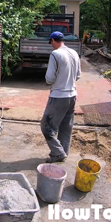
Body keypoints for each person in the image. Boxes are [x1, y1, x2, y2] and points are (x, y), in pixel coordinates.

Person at [41, 31, 81, 163]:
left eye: (51, 42)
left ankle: (58, 153)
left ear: (53, 40)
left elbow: (49, 78)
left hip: (59, 96)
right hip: (72, 96)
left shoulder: (55, 54)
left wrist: (57, 80)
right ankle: (64, 151)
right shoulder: (74, 53)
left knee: (46, 127)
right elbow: (78, 75)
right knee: (65, 126)